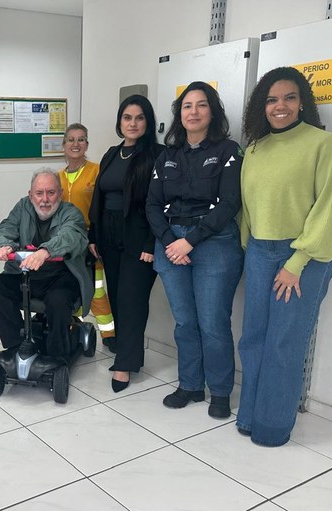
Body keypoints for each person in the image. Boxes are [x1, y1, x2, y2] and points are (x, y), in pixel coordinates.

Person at [237, 67, 332, 446]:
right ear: (261, 107)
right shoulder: (254, 149)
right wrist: (251, 248)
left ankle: (272, 427)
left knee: (284, 342)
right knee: (253, 338)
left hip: (302, 256)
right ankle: (249, 416)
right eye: (271, 99)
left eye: (288, 98)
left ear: (302, 103)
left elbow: (328, 208)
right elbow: (248, 208)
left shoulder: (322, 144)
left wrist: (295, 262)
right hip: (260, 251)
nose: (279, 106)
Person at [146, 82, 243, 417]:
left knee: (213, 322)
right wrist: (172, 241)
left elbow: (230, 203)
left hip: (214, 243)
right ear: (179, 114)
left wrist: (191, 239)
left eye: (202, 105)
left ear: (212, 112)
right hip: (172, 244)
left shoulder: (229, 151)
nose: (194, 112)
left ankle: (219, 392)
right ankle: (189, 384)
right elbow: (152, 204)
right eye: (187, 106)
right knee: (185, 323)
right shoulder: (167, 156)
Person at [88, 95, 164, 393]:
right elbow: (100, 197)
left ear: (148, 122)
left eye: (139, 117)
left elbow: (160, 202)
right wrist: (94, 236)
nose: (133, 123)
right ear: (120, 122)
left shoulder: (157, 154)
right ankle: (126, 349)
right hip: (108, 235)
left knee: (132, 299)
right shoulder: (110, 154)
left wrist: (151, 241)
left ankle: (125, 364)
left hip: (140, 237)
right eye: (127, 118)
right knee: (118, 296)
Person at [0, 170, 92, 359]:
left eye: (51, 192)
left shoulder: (71, 212)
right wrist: (3, 245)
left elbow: (71, 236)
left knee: (57, 300)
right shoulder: (22, 207)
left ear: (60, 193)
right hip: (26, 276)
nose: (45, 199)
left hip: (61, 277)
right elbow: (7, 227)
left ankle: (57, 355)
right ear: (30, 195)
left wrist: (46, 251)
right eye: (39, 193)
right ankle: (17, 347)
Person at [58, 123, 116, 351]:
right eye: (71, 139)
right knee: (70, 287)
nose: (76, 144)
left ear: (87, 145)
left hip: (91, 242)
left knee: (97, 290)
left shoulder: (98, 171)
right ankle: (73, 326)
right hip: (65, 244)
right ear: (63, 145)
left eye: (81, 139)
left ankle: (109, 334)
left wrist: (97, 238)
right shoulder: (57, 177)